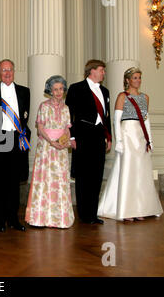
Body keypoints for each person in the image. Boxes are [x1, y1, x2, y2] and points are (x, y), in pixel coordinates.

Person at [98, 67, 163, 221]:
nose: (138, 80)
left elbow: (146, 120)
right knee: (128, 170)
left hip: (140, 135)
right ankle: (126, 210)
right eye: (134, 78)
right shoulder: (122, 96)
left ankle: (140, 208)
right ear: (127, 80)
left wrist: (150, 140)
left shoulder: (145, 97)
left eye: (139, 77)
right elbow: (116, 120)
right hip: (127, 134)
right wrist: (119, 141)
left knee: (141, 171)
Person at [0, 59, 31, 232]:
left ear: (14, 71)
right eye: (4, 70)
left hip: (17, 140)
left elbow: (25, 117)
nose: (7, 73)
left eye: (10, 70)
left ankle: (13, 219)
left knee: (14, 181)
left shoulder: (25, 92)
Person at [65, 59, 112, 225]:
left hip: (99, 136)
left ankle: (93, 213)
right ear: (92, 71)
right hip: (83, 135)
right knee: (84, 176)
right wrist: (71, 136)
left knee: (97, 175)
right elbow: (69, 114)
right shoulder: (76, 88)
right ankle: (84, 214)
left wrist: (109, 136)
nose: (103, 73)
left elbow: (107, 117)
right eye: (101, 70)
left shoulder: (105, 91)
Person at [25, 75, 74, 228]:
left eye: (61, 89)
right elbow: (40, 128)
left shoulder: (66, 108)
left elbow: (67, 128)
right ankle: (41, 217)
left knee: (60, 180)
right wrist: (51, 141)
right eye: (55, 89)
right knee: (45, 180)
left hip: (60, 149)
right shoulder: (44, 106)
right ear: (50, 91)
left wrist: (64, 142)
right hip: (46, 148)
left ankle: (60, 218)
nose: (59, 92)